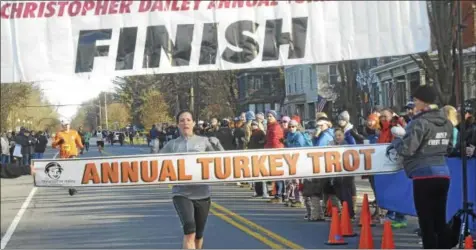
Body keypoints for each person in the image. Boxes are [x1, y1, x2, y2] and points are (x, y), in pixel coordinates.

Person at [388, 85, 453, 249]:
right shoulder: (446, 122)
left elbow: (407, 149)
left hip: (423, 174)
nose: (414, 103)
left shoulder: (419, 123)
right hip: (443, 173)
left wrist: (396, 141)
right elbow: (450, 148)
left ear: (424, 103)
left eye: (416, 100)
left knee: (426, 222)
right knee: (439, 219)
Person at [159, 110, 224, 249]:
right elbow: (156, 163)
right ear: (177, 124)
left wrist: (217, 145)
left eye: (188, 120)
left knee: (198, 235)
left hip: (202, 193)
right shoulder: (172, 145)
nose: (185, 123)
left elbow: (223, 162)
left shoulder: (204, 141)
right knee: (190, 231)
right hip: (181, 193)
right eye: (182, 120)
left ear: (194, 123)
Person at [52, 120, 83, 196]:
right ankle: (70, 187)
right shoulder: (59, 134)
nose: (66, 126)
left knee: (72, 170)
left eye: (67, 124)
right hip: (63, 155)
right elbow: (53, 145)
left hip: (72, 154)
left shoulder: (74, 132)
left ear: (69, 125)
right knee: (66, 172)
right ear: (62, 126)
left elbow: (79, 142)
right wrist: (59, 142)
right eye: (65, 125)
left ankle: (73, 187)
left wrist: (82, 148)